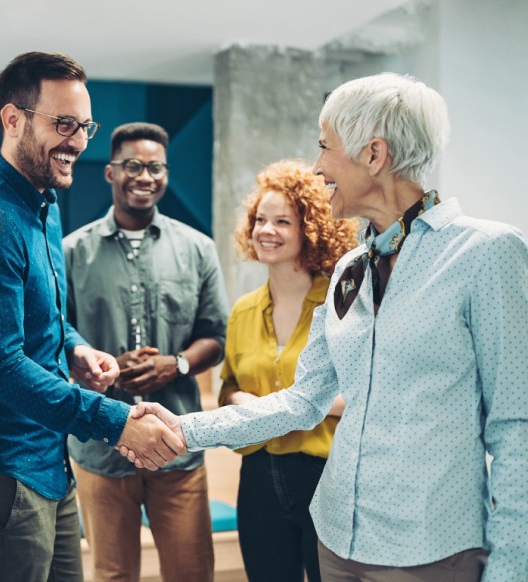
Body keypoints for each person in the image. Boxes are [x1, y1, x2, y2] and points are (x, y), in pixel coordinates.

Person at [123, 73, 528, 581]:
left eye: (324, 147)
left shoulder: (487, 253)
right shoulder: (349, 268)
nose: (317, 167)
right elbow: (302, 399)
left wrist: (511, 569)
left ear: (374, 154)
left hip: (429, 549)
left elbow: (517, 427)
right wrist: (185, 428)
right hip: (335, 540)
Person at [0, 52, 186, 582]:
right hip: (0, 467)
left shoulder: (42, 207)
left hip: (47, 457)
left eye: (84, 126)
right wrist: (114, 422)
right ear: (13, 119)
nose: (77, 141)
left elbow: (44, 321)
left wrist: (74, 348)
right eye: (62, 124)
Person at [63, 122, 229, 582]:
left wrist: (174, 364)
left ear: (166, 173)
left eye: (155, 167)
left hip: (177, 442)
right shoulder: (71, 252)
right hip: (101, 445)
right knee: (113, 575)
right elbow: (56, 335)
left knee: (192, 572)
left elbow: (216, 335)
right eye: (133, 165)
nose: (145, 176)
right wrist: (102, 367)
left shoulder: (198, 249)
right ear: (110, 172)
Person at [220, 159, 357, 582]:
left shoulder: (343, 306)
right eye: (260, 219)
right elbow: (228, 387)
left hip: (324, 473)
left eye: (282, 221)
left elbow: (365, 395)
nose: (266, 230)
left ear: (311, 229)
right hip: (258, 475)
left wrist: (290, 407)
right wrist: (239, 401)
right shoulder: (243, 310)